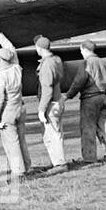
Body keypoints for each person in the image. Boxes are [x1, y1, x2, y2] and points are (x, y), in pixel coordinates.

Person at [0, 25, 32, 177]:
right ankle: (26, 166)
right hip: (20, 107)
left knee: (11, 142)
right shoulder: (16, 68)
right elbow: (10, 48)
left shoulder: (0, 77)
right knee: (21, 139)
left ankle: (18, 171)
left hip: (8, 111)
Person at [64, 39, 106, 163]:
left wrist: (68, 95)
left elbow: (79, 82)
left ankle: (89, 158)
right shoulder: (104, 62)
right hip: (102, 97)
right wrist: (103, 94)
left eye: (81, 50)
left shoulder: (86, 64)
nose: (81, 52)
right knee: (103, 127)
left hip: (89, 99)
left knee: (88, 128)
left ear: (85, 50)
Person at [33, 36, 68, 171]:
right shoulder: (56, 60)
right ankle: (56, 162)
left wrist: (41, 109)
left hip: (51, 104)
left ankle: (60, 163)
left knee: (53, 134)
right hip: (57, 100)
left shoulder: (47, 65)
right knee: (54, 133)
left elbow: (47, 88)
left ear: (40, 48)